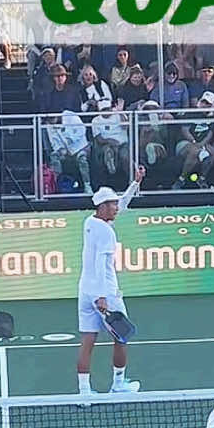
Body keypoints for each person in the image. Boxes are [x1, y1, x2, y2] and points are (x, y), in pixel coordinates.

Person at [76, 167, 145, 400]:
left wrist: (135, 184)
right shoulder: (106, 232)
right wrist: (102, 297)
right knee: (121, 336)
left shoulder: (90, 221)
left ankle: (84, 392)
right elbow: (98, 264)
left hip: (85, 291)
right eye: (113, 204)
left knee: (87, 341)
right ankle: (118, 385)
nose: (117, 207)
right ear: (102, 207)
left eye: (116, 203)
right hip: (105, 293)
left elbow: (123, 205)